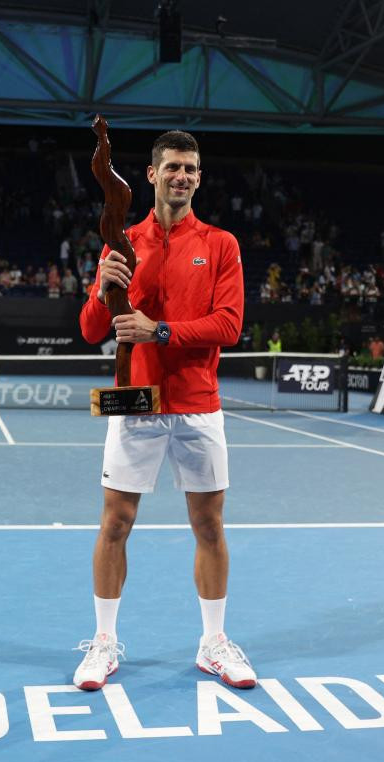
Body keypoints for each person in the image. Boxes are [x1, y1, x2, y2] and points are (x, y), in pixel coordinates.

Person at [73, 129, 253, 692]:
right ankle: (103, 643)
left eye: (191, 169)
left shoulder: (221, 244)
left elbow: (230, 324)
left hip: (199, 403)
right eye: (172, 167)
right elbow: (90, 331)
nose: (182, 177)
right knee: (115, 523)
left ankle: (213, 643)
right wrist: (103, 291)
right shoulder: (121, 241)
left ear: (199, 177)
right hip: (136, 401)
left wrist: (162, 331)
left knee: (208, 524)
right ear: (150, 175)